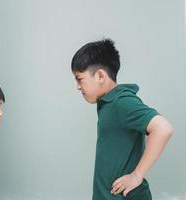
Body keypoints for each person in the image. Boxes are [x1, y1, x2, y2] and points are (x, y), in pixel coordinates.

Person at [71, 39, 173, 199]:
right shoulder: (108, 102)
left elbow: (163, 129)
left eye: (79, 79)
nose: (77, 86)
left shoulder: (121, 102)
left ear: (100, 76)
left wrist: (137, 175)